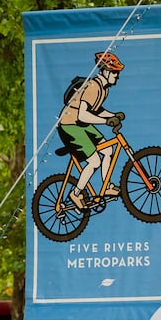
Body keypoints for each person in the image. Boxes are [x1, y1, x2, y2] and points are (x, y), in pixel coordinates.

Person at [55, 51, 126, 210]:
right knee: (95, 161)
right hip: (69, 125)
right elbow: (83, 115)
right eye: (115, 72)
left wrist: (114, 115)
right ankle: (76, 193)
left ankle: (106, 186)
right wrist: (107, 121)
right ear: (106, 71)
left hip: (80, 124)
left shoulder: (104, 88)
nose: (117, 76)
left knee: (107, 150)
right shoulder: (93, 86)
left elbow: (97, 110)